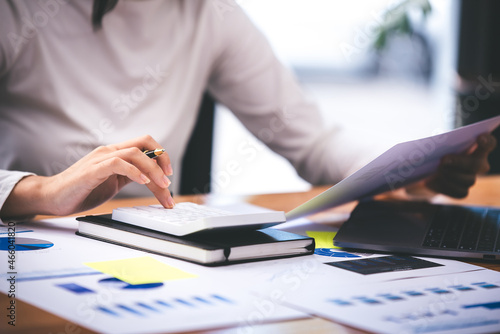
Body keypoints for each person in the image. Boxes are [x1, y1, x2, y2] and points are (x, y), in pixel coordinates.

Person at [0, 0, 496, 222]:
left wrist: (415, 168)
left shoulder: (208, 13)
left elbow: (314, 143)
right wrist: (42, 190)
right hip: (29, 249)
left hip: (144, 250)